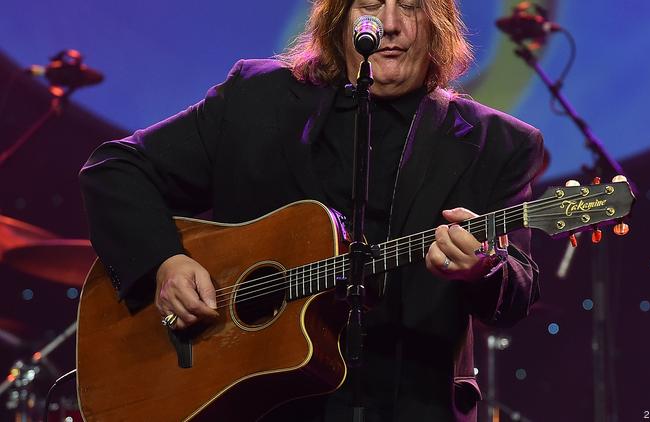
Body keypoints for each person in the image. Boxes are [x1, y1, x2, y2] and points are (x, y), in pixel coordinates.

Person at [79, 0, 543, 420]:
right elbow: (116, 169)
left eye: (411, 7)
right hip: (250, 406)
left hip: (408, 404)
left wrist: (482, 269)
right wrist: (165, 262)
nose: (392, 25)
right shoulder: (257, 98)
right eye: (372, 5)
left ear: (438, 25)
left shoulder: (498, 144)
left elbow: (517, 289)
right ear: (339, 20)